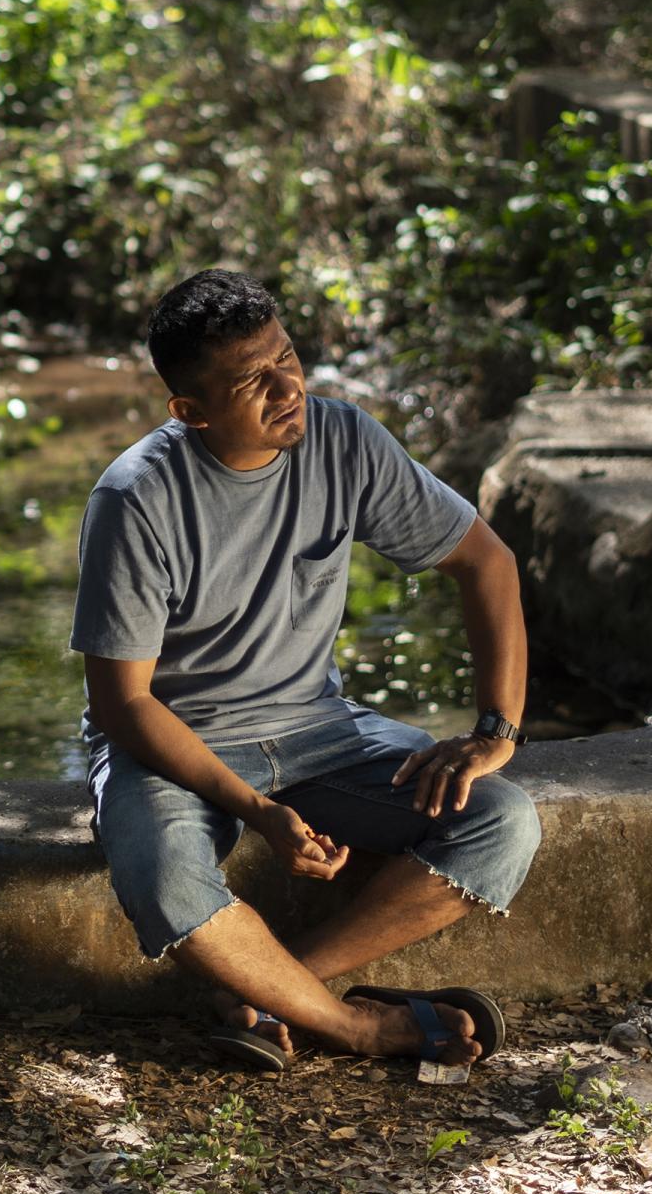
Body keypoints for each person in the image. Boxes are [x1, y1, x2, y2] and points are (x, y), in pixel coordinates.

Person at [72, 267, 541, 1071]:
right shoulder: (136, 499)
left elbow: (486, 562)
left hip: (319, 730)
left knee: (501, 820)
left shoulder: (344, 440)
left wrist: (497, 730)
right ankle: (358, 1027)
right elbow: (127, 707)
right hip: (174, 746)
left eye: (286, 355)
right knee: (161, 877)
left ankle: (264, 989)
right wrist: (256, 811)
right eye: (252, 379)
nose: (287, 385)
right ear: (190, 411)